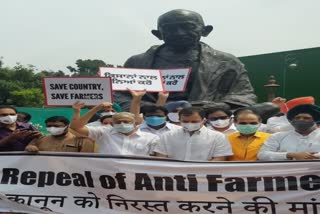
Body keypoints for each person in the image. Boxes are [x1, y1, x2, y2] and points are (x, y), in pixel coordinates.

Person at [114, 9, 256, 111]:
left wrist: (213, 106)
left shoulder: (226, 62)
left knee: (269, 109)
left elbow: (245, 96)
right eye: (170, 29)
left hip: (206, 116)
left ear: (205, 31)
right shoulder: (137, 62)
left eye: (188, 27)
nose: (179, 33)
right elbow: (118, 97)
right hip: (150, 116)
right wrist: (150, 107)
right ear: (158, 34)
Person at [70, 102, 160, 156]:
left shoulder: (151, 138)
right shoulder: (104, 132)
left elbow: (157, 159)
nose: (122, 124)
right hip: (107, 175)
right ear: (113, 123)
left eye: (126, 121)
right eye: (118, 122)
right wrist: (97, 108)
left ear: (134, 122)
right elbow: (76, 127)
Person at [154, 107, 233, 161]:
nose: (189, 124)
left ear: (204, 120)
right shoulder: (167, 136)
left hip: (203, 177)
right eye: (185, 121)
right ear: (179, 120)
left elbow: (219, 159)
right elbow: (161, 158)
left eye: (194, 122)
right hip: (173, 177)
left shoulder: (218, 137)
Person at [25, 116, 94, 152]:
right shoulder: (40, 139)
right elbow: (29, 148)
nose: (52, 128)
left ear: (67, 126)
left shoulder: (82, 141)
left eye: (56, 126)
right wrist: (29, 147)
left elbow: (86, 161)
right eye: (49, 126)